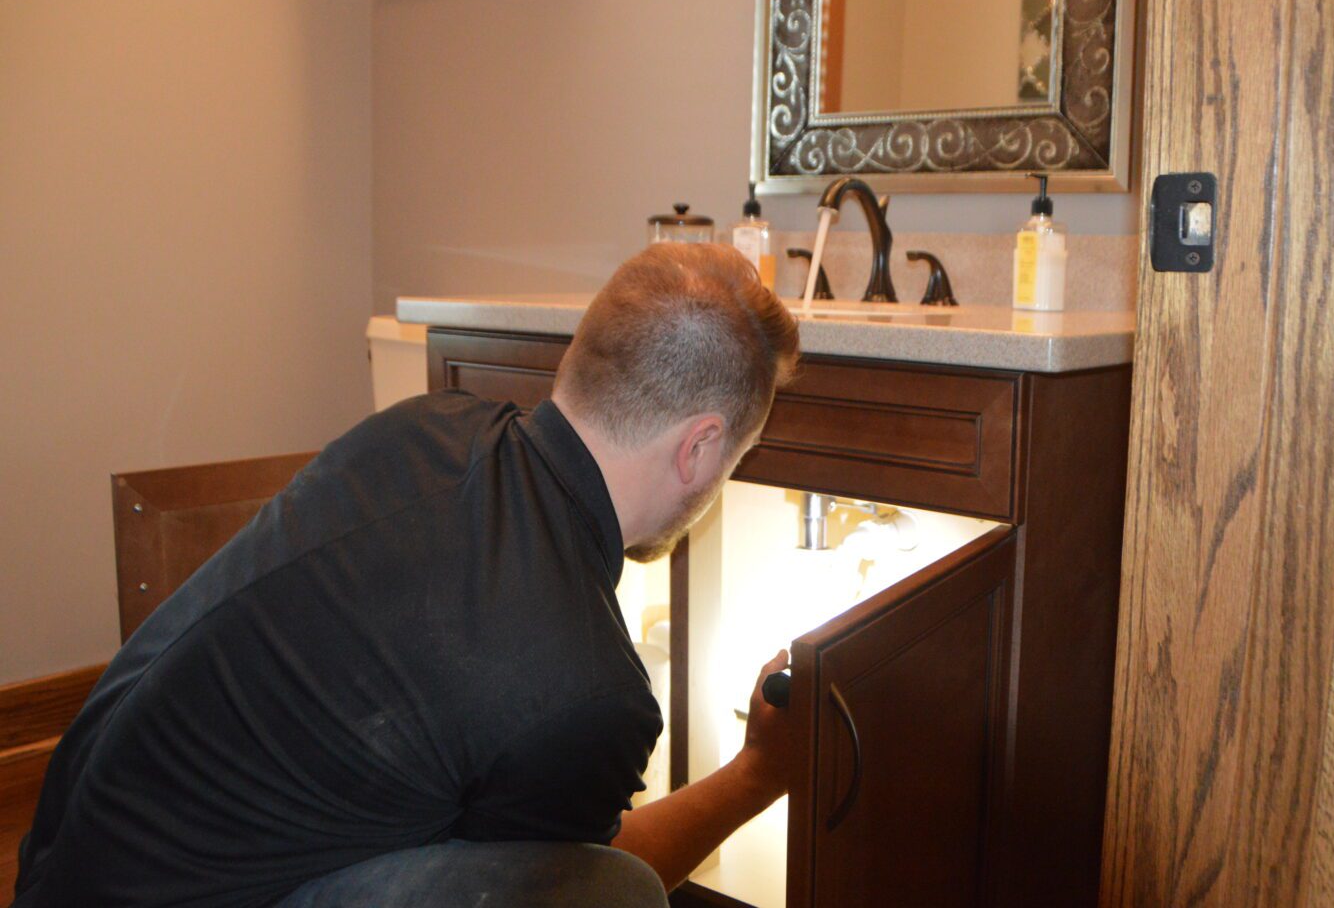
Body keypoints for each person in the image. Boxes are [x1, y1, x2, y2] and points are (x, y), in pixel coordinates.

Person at [13, 243, 801, 908]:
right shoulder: (589, 691)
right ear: (699, 448)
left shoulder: (426, 426)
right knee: (615, 891)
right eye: (737, 457)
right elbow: (578, 878)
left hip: (63, 856)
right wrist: (758, 774)